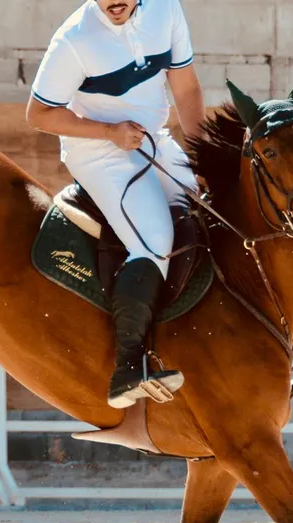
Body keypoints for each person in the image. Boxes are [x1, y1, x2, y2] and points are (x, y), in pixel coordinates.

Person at [25, 0, 206, 409]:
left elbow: (187, 88)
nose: (113, 2)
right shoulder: (74, 39)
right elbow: (38, 114)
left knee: (215, 213)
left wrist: (202, 156)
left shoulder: (166, 11)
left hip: (154, 138)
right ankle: (128, 368)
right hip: (98, 150)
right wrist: (109, 131)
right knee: (156, 240)